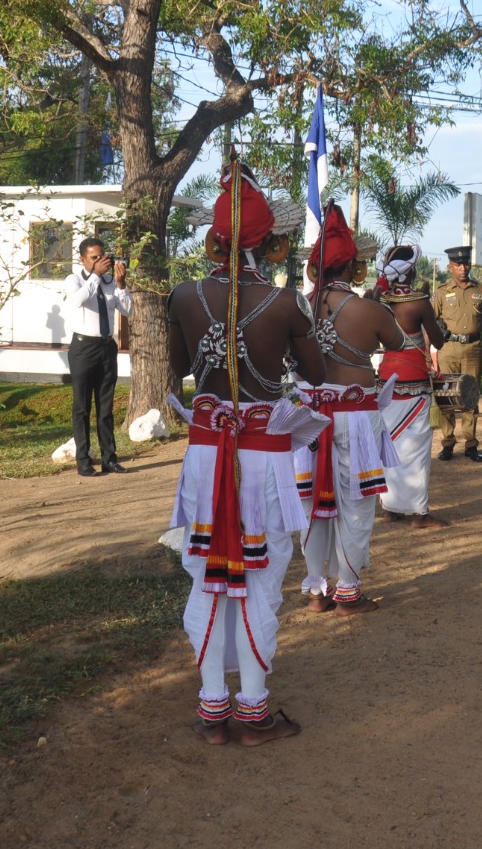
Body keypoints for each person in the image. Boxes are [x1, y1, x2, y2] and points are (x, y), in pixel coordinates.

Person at [166, 167, 327, 746]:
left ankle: (213, 709)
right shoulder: (286, 303)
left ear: (215, 240)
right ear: (271, 244)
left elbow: (180, 367)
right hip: (261, 457)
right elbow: (315, 373)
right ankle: (253, 712)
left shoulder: (184, 296)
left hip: (207, 455)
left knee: (208, 577)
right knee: (260, 579)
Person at [296, 205, 408, 614]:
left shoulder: (295, 305)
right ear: (353, 267)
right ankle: (347, 591)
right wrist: (376, 306)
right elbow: (398, 343)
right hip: (355, 417)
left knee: (312, 507)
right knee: (356, 505)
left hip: (307, 419)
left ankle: (316, 591)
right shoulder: (369, 309)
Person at [376, 244, 449, 528]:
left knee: (390, 443)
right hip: (414, 380)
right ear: (411, 271)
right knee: (416, 450)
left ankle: (390, 508)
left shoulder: (379, 300)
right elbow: (437, 340)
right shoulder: (419, 301)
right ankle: (420, 514)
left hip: (387, 379)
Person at [63, 237, 133, 476]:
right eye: (94, 258)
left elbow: (128, 310)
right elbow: (79, 300)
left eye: (102, 256)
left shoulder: (109, 281)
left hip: (106, 348)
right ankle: (83, 460)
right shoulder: (74, 280)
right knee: (81, 407)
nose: (101, 261)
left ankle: (109, 459)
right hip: (83, 348)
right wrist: (95, 275)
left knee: (106, 407)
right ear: (82, 259)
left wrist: (121, 285)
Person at [430, 245, 482, 462]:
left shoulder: (480, 290)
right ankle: (448, 443)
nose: (463, 268)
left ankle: (471, 444)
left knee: (471, 396)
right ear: (450, 266)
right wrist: (427, 354)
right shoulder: (441, 292)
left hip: (472, 349)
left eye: (466, 263)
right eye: (457, 264)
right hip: (448, 348)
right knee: (446, 396)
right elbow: (430, 323)